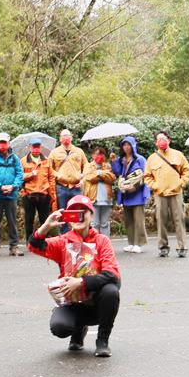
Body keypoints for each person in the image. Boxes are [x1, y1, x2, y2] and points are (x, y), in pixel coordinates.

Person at [28, 195, 121, 357]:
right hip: (73, 303)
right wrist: (45, 226)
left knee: (111, 291)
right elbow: (34, 246)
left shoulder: (102, 241)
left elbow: (112, 275)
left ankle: (102, 341)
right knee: (59, 327)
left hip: (97, 304)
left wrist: (80, 282)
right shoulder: (62, 241)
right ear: (68, 219)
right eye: (73, 212)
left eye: (83, 211)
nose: (79, 216)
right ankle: (78, 331)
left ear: (91, 215)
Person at [144, 130, 189, 258]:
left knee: (179, 220)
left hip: (176, 192)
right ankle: (163, 247)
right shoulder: (152, 158)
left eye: (164, 139)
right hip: (160, 194)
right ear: (155, 143)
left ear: (169, 140)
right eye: (159, 139)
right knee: (161, 220)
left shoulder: (178, 155)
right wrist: (155, 186)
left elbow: (186, 170)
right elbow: (147, 176)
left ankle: (182, 247)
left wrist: (182, 183)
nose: (162, 141)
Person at [0, 132, 24, 256]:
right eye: (0, 142)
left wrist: (13, 186)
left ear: (9, 143)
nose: (2, 145)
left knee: (12, 222)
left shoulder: (15, 158)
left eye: (4, 143)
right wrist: (0, 187)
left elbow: (20, 173)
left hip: (11, 194)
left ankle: (14, 246)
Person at [112, 135, 149, 252]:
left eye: (128, 145)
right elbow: (117, 172)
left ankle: (139, 243)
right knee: (128, 220)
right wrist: (113, 162)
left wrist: (146, 193)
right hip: (126, 194)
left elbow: (146, 176)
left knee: (139, 219)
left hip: (137, 193)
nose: (126, 147)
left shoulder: (141, 160)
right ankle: (131, 242)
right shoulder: (121, 160)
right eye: (124, 145)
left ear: (133, 146)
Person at [22, 141, 55, 236]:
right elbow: (19, 177)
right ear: (29, 148)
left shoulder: (47, 160)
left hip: (44, 194)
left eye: (38, 147)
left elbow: (51, 177)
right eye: (34, 147)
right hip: (29, 195)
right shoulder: (23, 161)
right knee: (29, 220)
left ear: (41, 148)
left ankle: (44, 242)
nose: (36, 150)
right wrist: (30, 174)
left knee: (45, 221)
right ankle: (29, 242)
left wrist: (51, 194)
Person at [49, 129, 88, 209]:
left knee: (78, 213)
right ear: (60, 139)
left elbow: (87, 167)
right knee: (63, 213)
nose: (66, 138)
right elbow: (49, 168)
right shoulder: (54, 152)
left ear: (71, 138)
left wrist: (83, 179)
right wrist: (58, 175)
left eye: (68, 135)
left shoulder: (79, 151)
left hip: (77, 188)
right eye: (63, 136)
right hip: (61, 188)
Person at [84, 146, 115, 238]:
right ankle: (95, 243)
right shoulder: (88, 166)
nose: (100, 156)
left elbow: (112, 178)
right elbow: (89, 177)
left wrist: (99, 173)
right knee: (95, 223)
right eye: (98, 154)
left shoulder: (107, 165)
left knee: (105, 223)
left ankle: (105, 243)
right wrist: (103, 174)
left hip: (107, 199)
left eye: (102, 154)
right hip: (94, 199)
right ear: (93, 155)